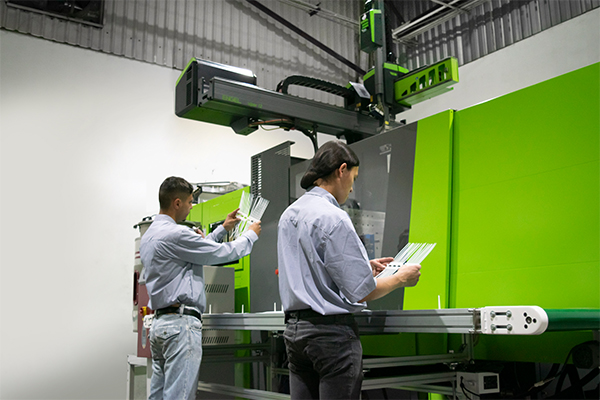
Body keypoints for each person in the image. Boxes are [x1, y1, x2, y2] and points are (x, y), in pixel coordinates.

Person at [277, 141, 422, 400]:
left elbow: (312, 267)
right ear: (341, 170)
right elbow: (361, 292)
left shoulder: (289, 215)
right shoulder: (333, 216)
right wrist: (401, 278)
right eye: (353, 178)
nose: (353, 187)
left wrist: (363, 266)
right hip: (331, 337)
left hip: (295, 334)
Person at [140, 176, 261, 400]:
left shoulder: (150, 237)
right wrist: (250, 235)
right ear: (177, 203)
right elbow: (222, 254)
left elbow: (197, 250)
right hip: (180, 327)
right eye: (189, 202)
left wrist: (223, 229)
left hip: (159, 327)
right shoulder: (176, 234)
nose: (191, 207)